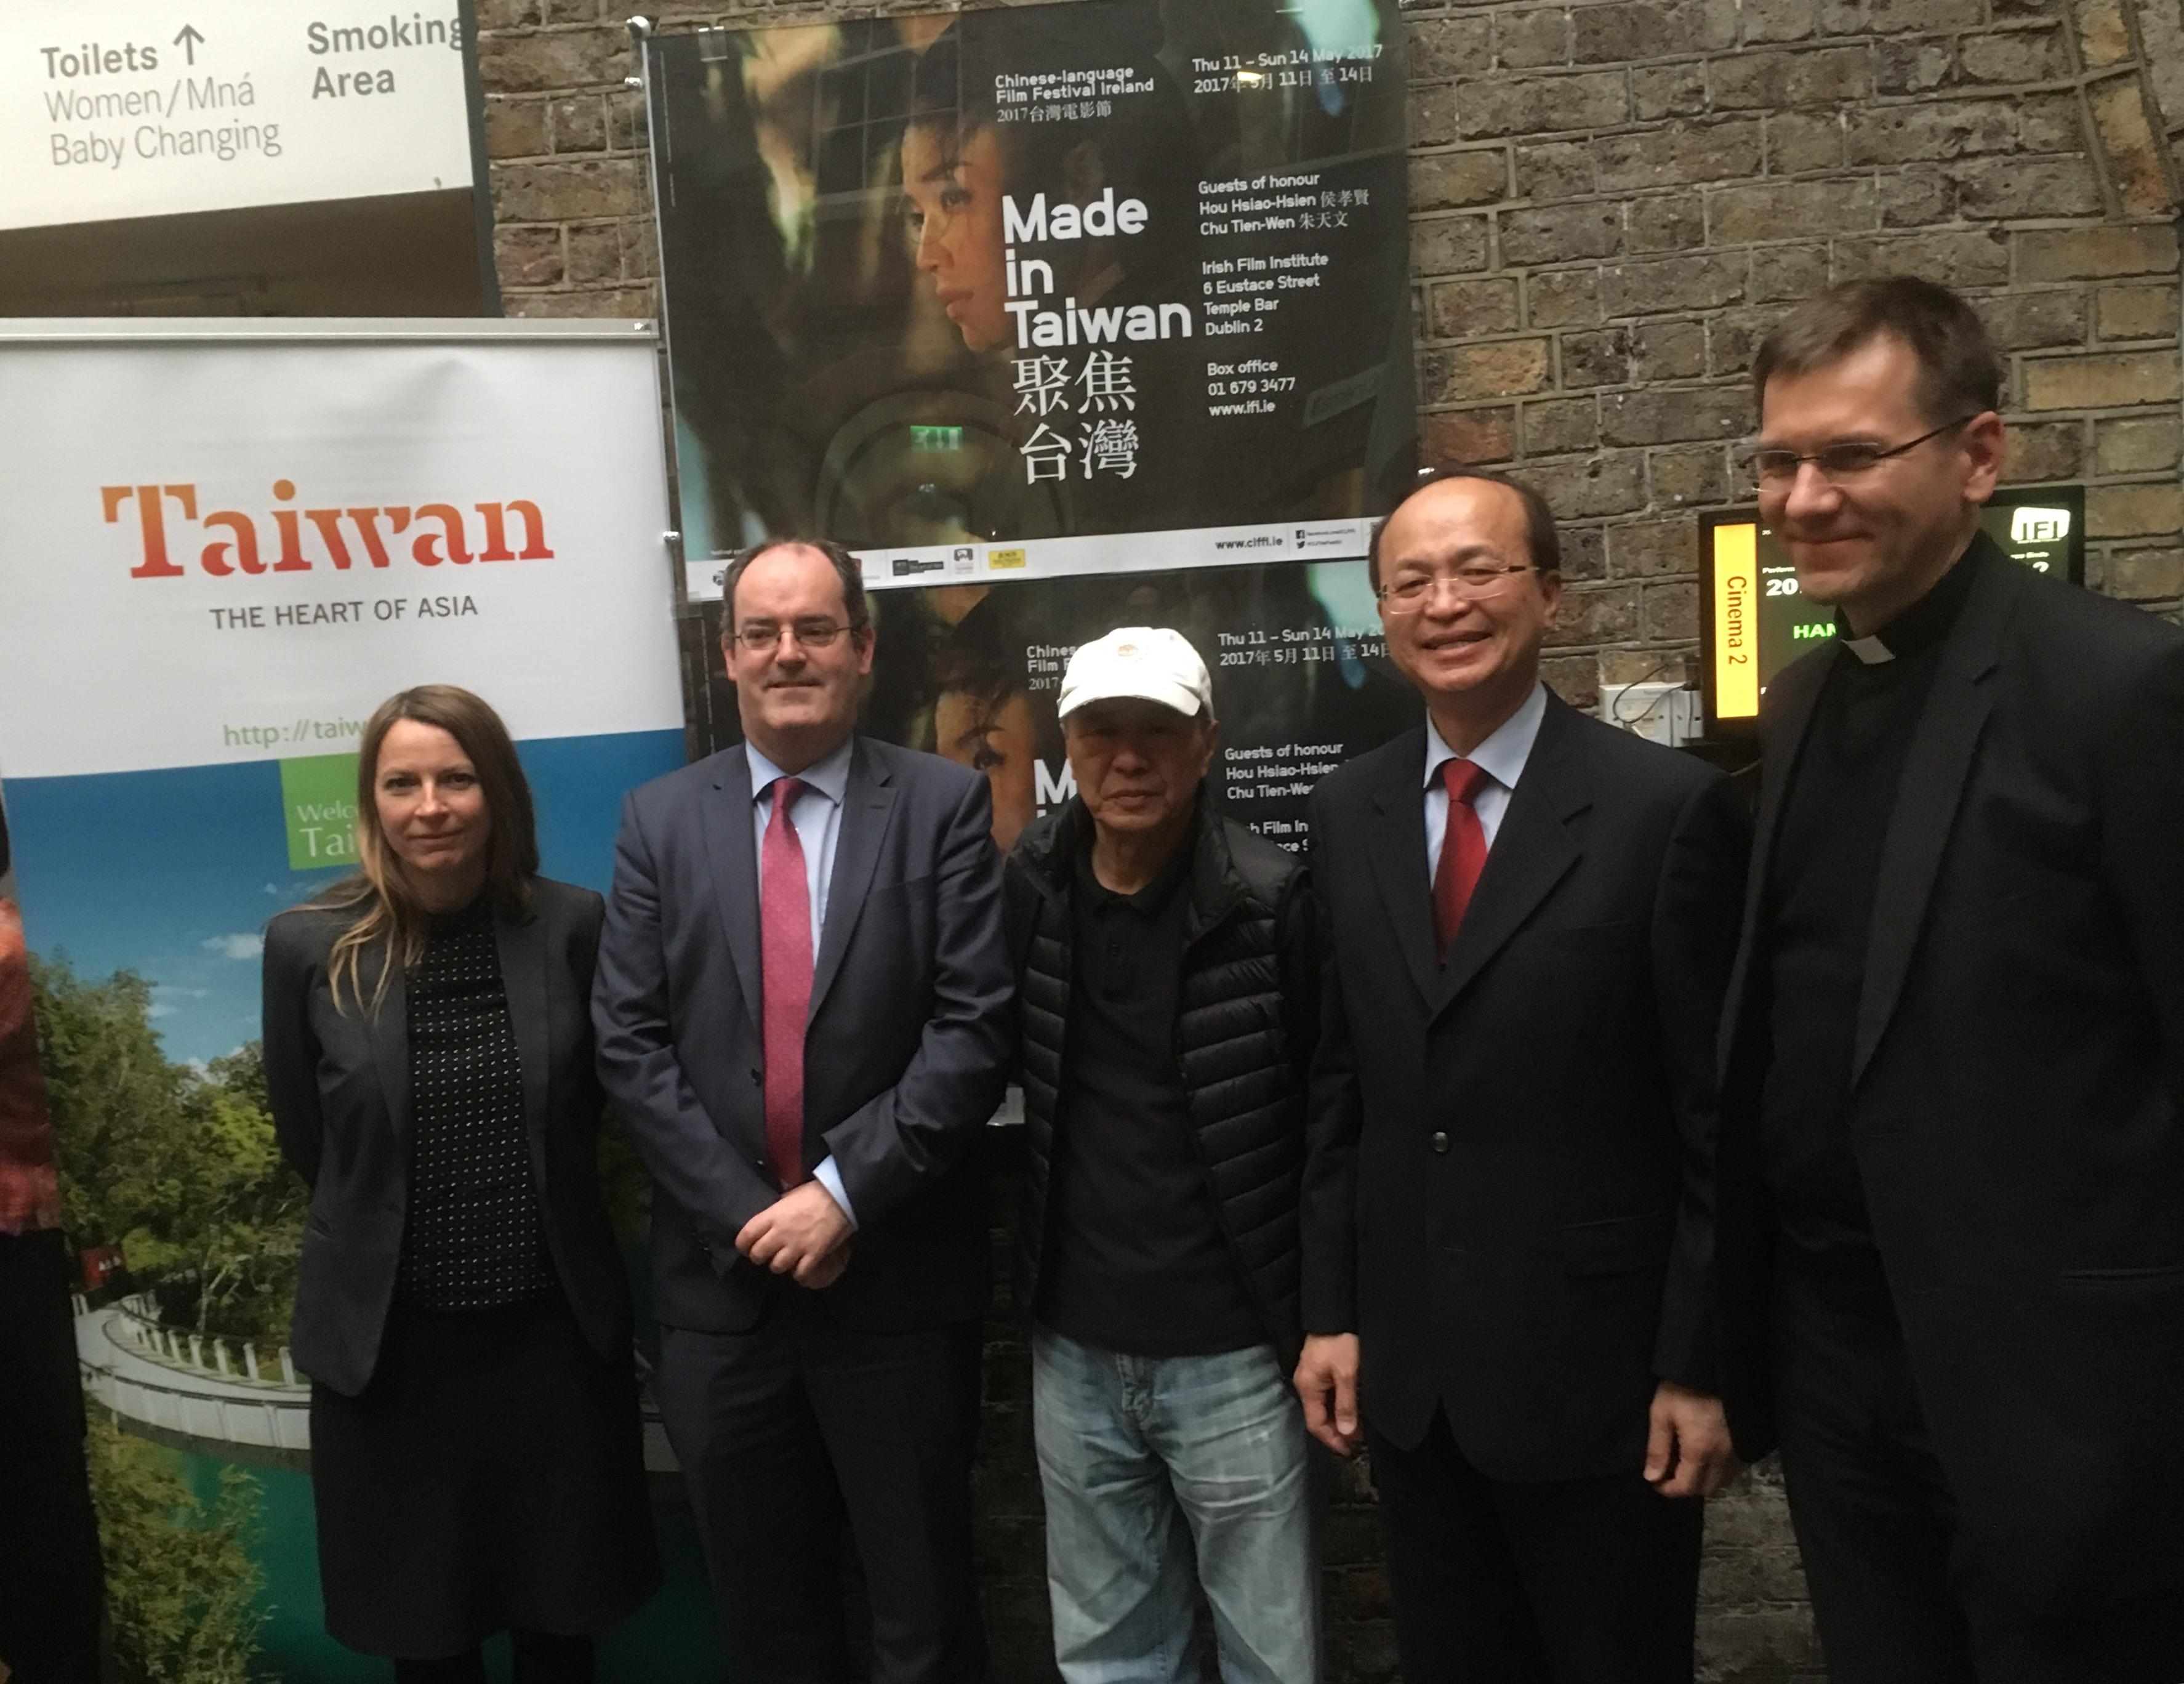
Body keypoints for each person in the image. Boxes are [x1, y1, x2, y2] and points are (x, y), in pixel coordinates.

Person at [1714, 276, 2184, 1680]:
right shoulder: (1800, 700)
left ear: (1978, 455)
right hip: (1840, 1362)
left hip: (2060, 1386)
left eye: (1852, 456)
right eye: (1779, 462)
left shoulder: (2120, 692)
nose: (1803, 500)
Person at [1295, 469, 1747, 1682]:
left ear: (1549, 594)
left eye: (1477, 570)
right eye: (1411, 581)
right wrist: (1331, 1312)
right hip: (1417, 1381)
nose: (1444, 603)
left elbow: (1717, 1117)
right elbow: (1339, 1086)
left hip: (1604, 1383)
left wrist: (1700, 1363)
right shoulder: (1348, 813)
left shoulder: (1667, 811)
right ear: (1382, 614)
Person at [593, 538, 1016, 1684]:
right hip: (723, 1304)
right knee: (768, 1624)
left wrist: (838, 1197)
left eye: (815, 629)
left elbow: (974, 1030)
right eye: (763, 633)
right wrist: (753, 1218)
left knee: (925, 1620)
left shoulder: (941, 805)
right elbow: (629, 1044)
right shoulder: (658, 822)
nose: (789, 653)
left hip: (895, 1285)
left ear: (863, 649)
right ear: (727, 656)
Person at [260, 686, 658, 1684]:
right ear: (372, 801)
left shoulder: (574, 923)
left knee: (562, 1632)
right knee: (429, 1642)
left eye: (456, 779)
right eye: (402, 783)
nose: (430, 806)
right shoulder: (306, 945)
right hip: (392, 1364)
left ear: (498, 793)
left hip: (552, 1353)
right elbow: (312, 1142)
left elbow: (598, 1117)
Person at [1004, 628, 1320, 1684]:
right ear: (1067, 744)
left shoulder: (1272, 902)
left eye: (1158, 731)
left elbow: (1334, 1119)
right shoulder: (1027, 889)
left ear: (1208, 744)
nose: (1129, 757)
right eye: (1102, 730)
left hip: (1235, 1353)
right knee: (1109, 1659)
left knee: (1270, 1656)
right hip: (1075, 1350)